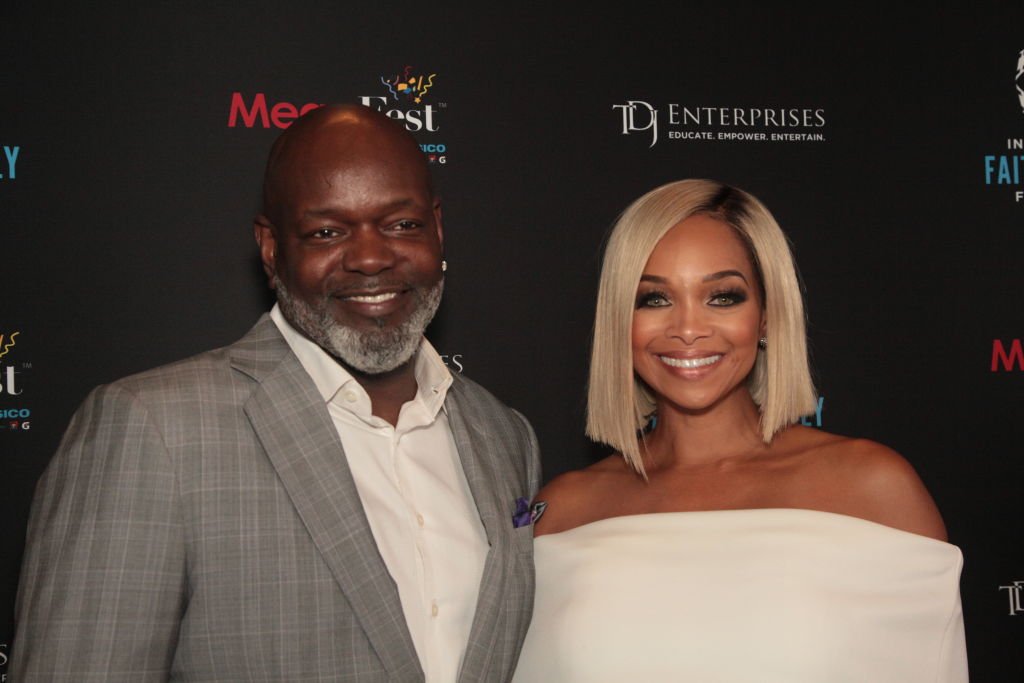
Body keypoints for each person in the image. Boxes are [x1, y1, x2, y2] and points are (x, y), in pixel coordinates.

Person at [11, 104, 541, 682]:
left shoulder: (504, 435)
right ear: (270, 247)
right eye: (327, 232)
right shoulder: (153, 428)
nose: (370, 257)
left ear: (437, 229)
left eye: (400, 224)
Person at [512, 179, 967, 682]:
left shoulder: (872, 486)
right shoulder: (564, 511)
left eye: (723, 297)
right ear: (620, 320)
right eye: (655, 298)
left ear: (767, 316)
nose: (688, 328)